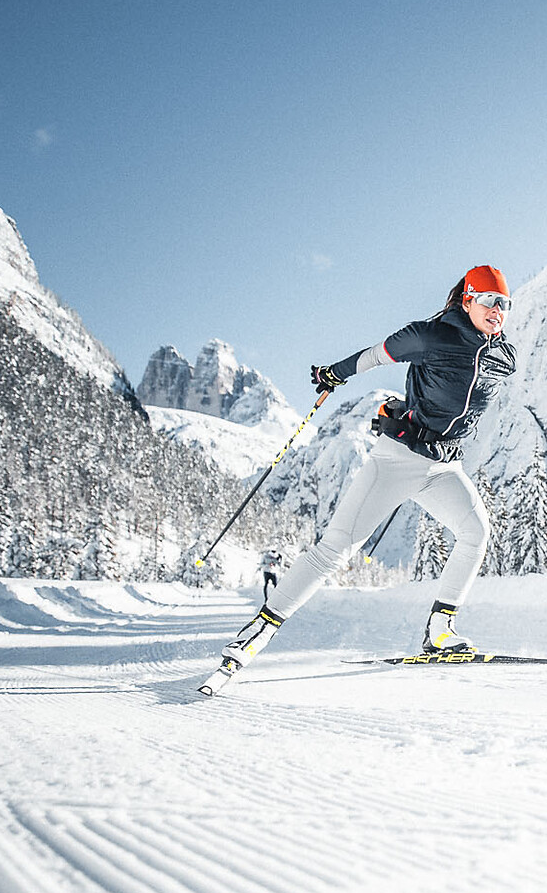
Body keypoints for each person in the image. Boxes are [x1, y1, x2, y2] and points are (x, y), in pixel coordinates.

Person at [201, 265, 517, 693]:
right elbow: (377, 353)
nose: (497, 311)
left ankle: (440, 630)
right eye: (489, 301)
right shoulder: (430, 336)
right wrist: (335, 372)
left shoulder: (504, 356)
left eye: (505, 304)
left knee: (475, 532)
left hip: (444, 465)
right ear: (467, 299)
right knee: (335, 549)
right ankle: (255, 634)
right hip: (399, 459)